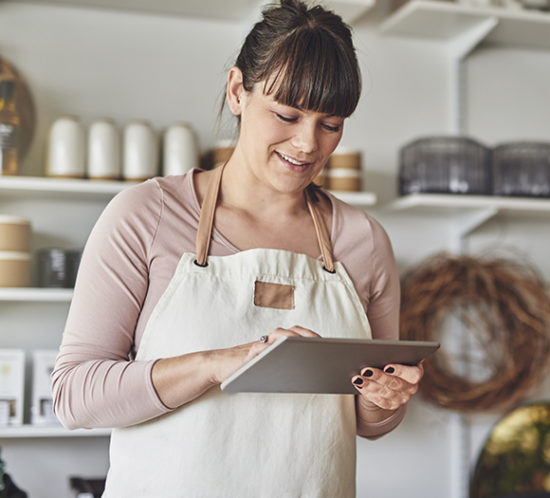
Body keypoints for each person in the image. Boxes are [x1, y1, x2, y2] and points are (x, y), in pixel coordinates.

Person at [52, 1, 423, 496]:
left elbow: (364, 422)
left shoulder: (363, 241)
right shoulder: (146, 215)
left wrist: (384, 399)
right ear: (236, 92)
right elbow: (76, 397)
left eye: (330, 124)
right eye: (287, 114)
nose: (308, 144)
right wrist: (217, 364)